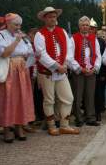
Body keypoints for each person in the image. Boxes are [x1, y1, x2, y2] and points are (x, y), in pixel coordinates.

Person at [0, 13, 35, 143]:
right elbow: (4, 53)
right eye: (16, 24)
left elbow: (31, 52)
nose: (18, 27)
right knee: (7, 98)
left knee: (21, 98)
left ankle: (19, 126)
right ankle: (7, 129)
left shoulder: (23, 37)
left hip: (21, 70)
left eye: (20, 24)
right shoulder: (0, 36)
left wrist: (25, 61)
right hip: (8, 70)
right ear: (8, 24)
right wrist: (16, 41)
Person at [34, 7, 79, 136]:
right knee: (49, 100)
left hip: (62, 71)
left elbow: (69, 49)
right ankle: (51, 125)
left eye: (54, 16)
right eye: (50, 16)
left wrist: (65, 63)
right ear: (44, 19)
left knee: (68, 97)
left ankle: (64, 125)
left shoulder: (62, 31)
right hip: (47, 72)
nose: (53, 19)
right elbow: (41, 54)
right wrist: (55, 66)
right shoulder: (39, 34)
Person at [70, 16, 101, 127]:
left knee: (90, 96)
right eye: (83, 25)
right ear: (79, 26)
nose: (85, 27)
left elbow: (98, 55)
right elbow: (70, 57)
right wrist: (79, 68)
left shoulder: (94, 38)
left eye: (87, 25)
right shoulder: (73, 38)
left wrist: (95, 68)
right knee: (77, 96)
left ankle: (90, 118)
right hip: (79, 72)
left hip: (91, 71)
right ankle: (78, 118)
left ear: (89, 26)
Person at [90, 18, 106, 123]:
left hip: (99, 72)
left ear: (96, 30)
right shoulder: (85, 39)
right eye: (90, 28)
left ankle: (98, 112)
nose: (91, 30)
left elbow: (104, 58)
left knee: (98, 93)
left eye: (93, 28)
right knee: (88, 94)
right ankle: (89, 112)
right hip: (87, 71)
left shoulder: (102, 42)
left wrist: (103, 73)